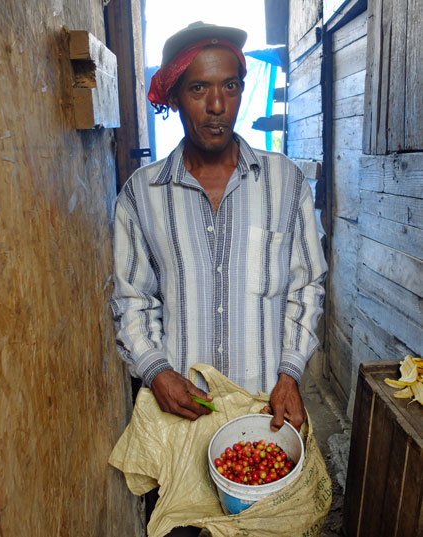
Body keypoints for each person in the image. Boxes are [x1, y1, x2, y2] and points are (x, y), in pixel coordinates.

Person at [111, 21, 327, 537]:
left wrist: (291, 373)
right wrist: (156, 371)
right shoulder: (142, 195)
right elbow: (132, 298)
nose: (217, 105)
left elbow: (306, 287)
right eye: (198, 88)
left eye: (230, 86)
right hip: (184, 425)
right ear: (174, 96)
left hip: (266, 416)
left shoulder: (285, 183)